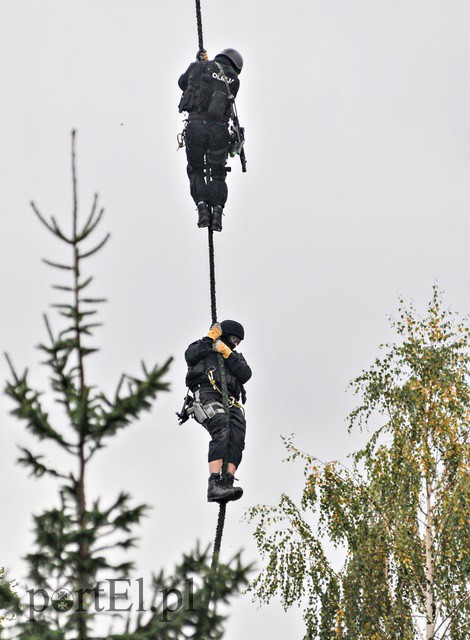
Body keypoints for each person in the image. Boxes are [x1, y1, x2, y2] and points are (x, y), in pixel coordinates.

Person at [184, 320, 252, 502]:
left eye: (238, 342)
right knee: (221, 424)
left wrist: (227, 353)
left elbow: (245, 374)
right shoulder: (201, 347)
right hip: (207, 395)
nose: (235, 344)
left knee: (237, 435)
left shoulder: (235, 356)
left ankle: (227, 482)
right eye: (232, 339)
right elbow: (190, 356)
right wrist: (209, 339)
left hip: (230, 401)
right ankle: (214, 483)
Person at [178, 48, 243, 232]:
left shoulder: (198, 67)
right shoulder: (235, 81)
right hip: (219, 132)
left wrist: (198, 64)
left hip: (196, 127)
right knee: (218, 173)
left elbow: (182, 83)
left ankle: (201, 207)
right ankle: (217, 210)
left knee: (196, 168)